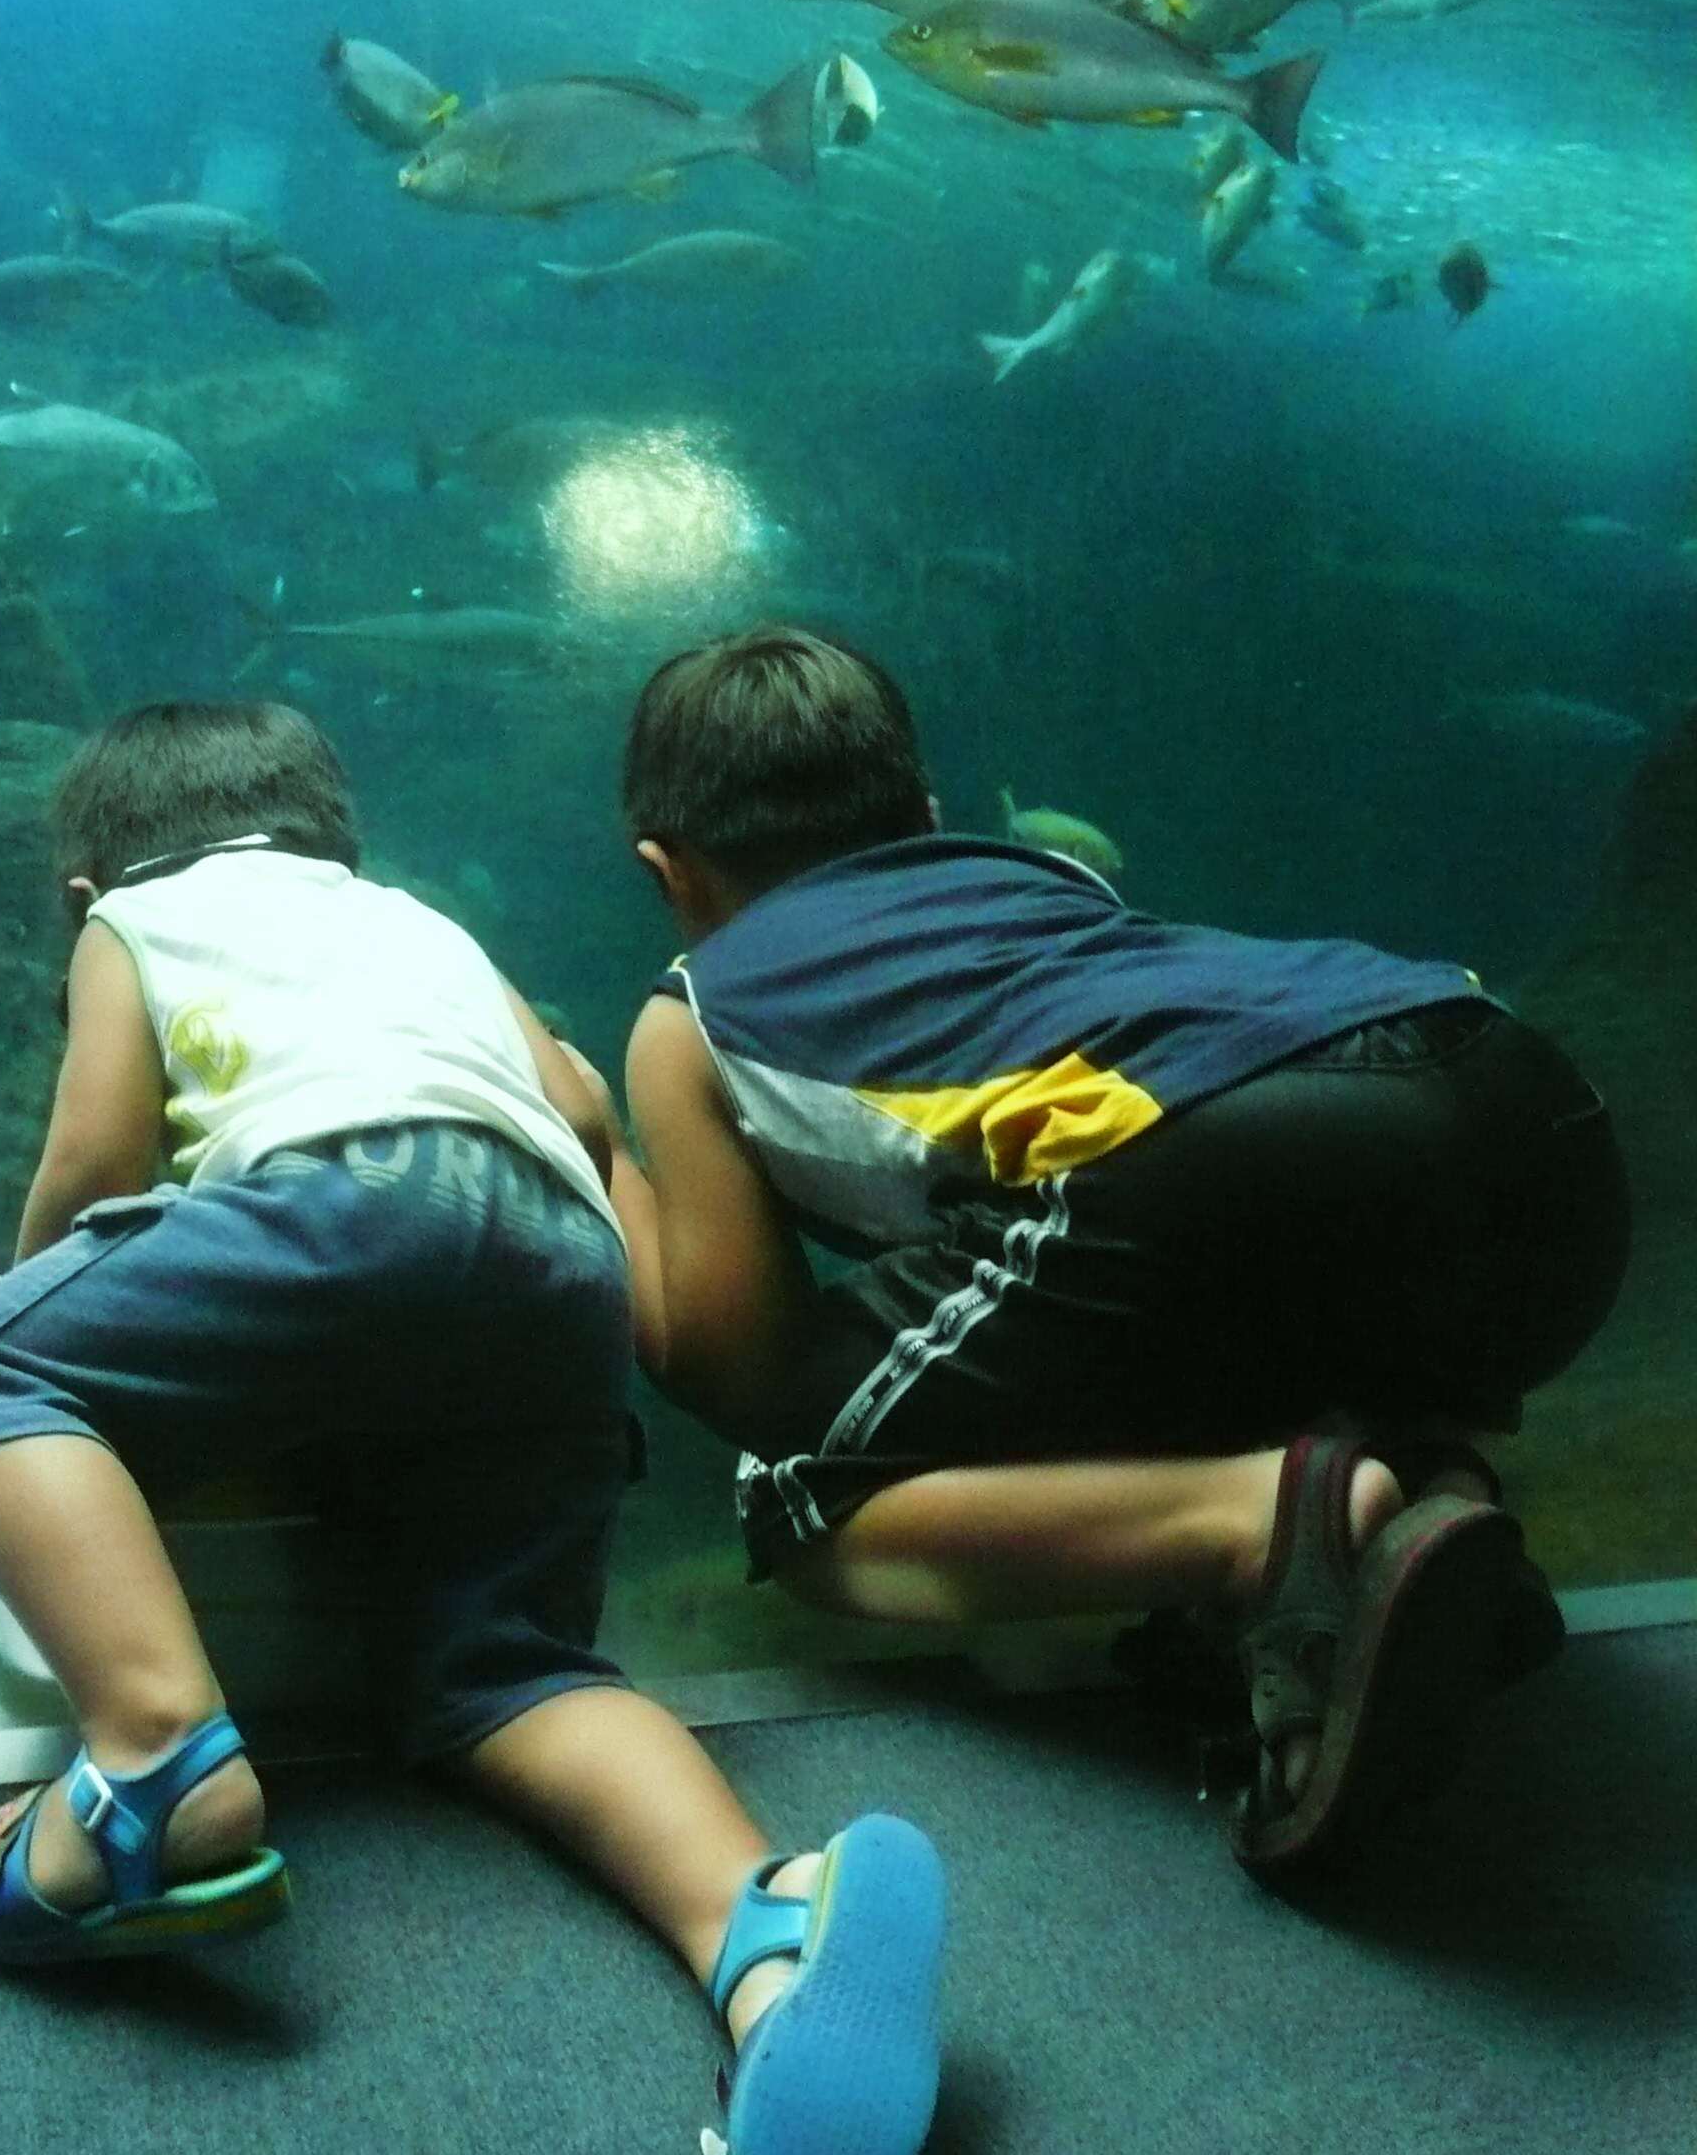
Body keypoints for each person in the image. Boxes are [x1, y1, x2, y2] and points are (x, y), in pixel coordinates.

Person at [0, 697, 946, 2155]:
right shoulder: (416, 922)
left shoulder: (139, 923)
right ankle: (764, 1938)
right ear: (331, 840)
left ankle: (149, 1757)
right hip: (558, 1254)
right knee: (508, 1670)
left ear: (83, 894)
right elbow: (570, 1099)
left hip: (343, 1192)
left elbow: (99, 1157)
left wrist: (63, 1331)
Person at [600, 624, 1631, 1879]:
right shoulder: (1050, 886)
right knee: (1198, 1307)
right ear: (925, 815)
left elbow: (728, 1365)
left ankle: (1261, 1532)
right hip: (1532, 1129)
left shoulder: (695, 1007)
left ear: (670, 876)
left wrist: (597, 1143)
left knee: (797, 1484)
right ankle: (1421, 1490)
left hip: (1210, 1156)